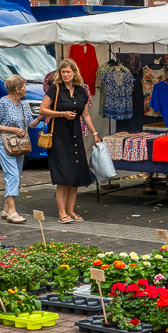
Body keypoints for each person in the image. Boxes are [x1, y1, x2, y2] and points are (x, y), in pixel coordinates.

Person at [39, 58, 100, 223]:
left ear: (74, 73)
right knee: (63, 175)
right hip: (59, 136)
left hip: (75, 135)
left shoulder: (81, 91)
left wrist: (94, 133)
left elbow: (85, 115)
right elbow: (43, 110)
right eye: (63, 72)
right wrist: (61, 114)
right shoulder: (55, 89)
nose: (65, 74)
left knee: (75, 175)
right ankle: (61, 213)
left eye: (68, 72)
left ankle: (71, 211)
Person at [0, 74, 40, 223]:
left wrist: (40, 117)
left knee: (15, 175)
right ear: (17, 89)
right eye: (24, 86)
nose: (26, 89)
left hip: (20, 145)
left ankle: (5, 209)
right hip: (4, 144)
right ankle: (12, 211)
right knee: (12, 175)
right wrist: (12, 129)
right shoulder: (3, 102)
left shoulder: (23, 104)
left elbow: (29, 124)